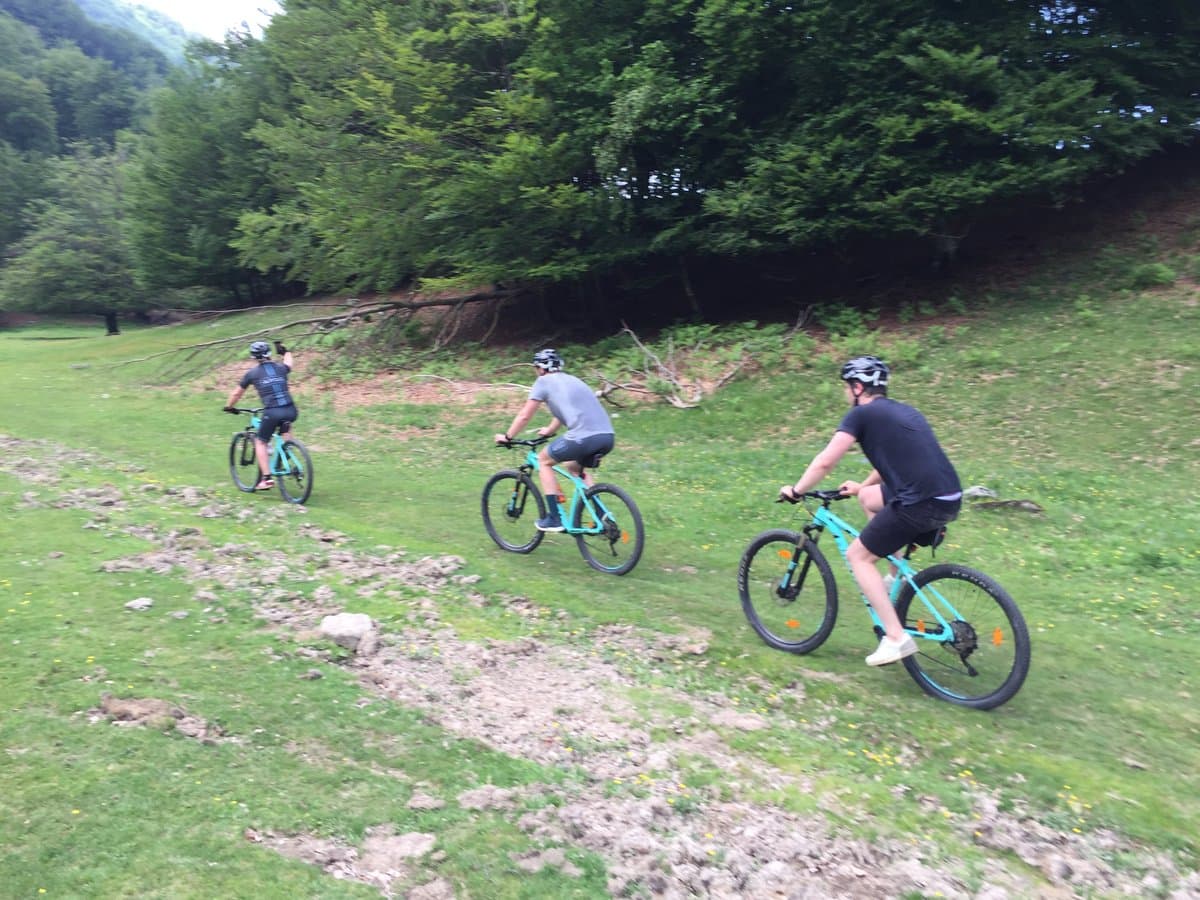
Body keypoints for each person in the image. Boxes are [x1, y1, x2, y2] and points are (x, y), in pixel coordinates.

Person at [780, 356, 962, 666]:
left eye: (846, 387)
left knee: (857, 556)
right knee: (868, 499)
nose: (844, 393)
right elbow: (890, 460)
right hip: (950, 496)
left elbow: (826, 461)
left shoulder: (861, 415)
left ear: (857, 387)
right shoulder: (904, 411)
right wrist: (862, 486)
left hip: (919, 502)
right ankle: (896, 576)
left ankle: (895, 638)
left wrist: (796, 491)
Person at [495, 348, 615, 532]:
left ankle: (554, 518)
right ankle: (602, 515)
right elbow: (567, 410)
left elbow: (525, 415)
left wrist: (508, 437)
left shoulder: (543, 381)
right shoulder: (573, 380)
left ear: (541, 368)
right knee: (573, 468)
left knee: (544, 461)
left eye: (536, 368)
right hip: (607, 437)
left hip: (583, 437)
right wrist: (550, 430)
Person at [224, 340, 298, 490]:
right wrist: (285, 351)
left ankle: (267, 479)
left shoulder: (252, 373)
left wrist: (229, 406)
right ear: (269, 354)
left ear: (253, 357)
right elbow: (289, 362)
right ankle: (287, 449)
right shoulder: (280, 368)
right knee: (285, 426)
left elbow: (237, 393)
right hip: (291, 409)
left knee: (260, 441)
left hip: (273, 411)